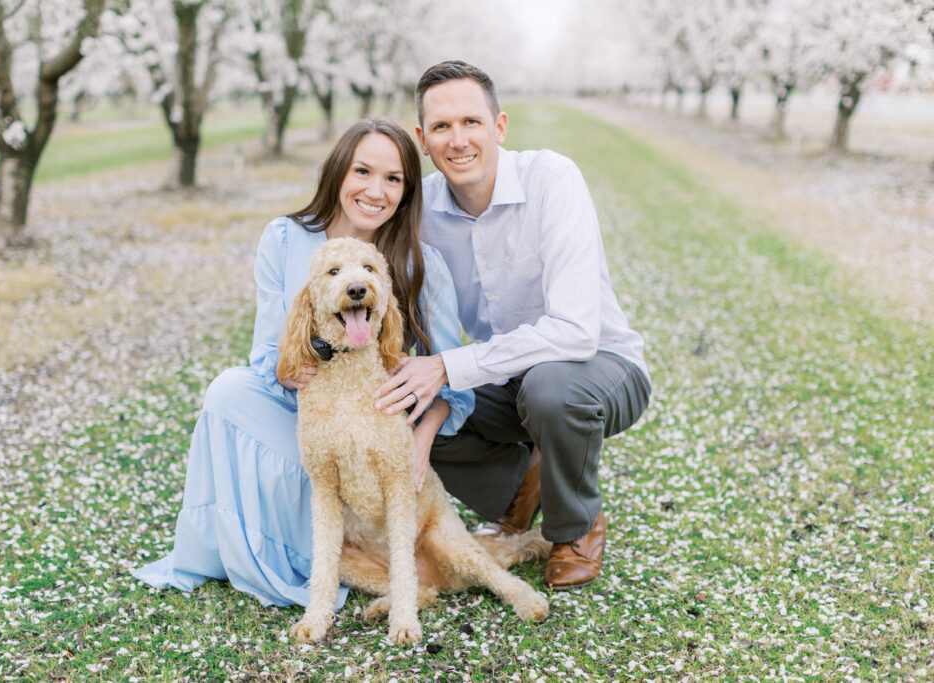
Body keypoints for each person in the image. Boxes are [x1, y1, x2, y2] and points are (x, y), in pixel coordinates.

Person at [134, 117, 474, 609]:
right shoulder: (285, 238)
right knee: (227, 391)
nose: (375, 190)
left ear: (408, 190)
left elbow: (454, 384)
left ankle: (346, 551)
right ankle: (259, 549)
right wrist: (296, 365)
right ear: (338, 171)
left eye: (393, 178)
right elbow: (265, 359)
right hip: (303, 415)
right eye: (362, 171)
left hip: (379, 435)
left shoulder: (421, 264)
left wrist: (419, 441)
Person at [374, 61, 651, 591]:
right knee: (396, 400)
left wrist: (450, 366)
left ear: (499, 127)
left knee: (550, 387)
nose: (458, 140)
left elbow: (574, 332)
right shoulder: (420, 210)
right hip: (503, 383)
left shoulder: (552, 179)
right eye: (441, 127)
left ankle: (575, 527)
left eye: (472, 122)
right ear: (423, 141)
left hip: (600, 371)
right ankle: (517, 488)